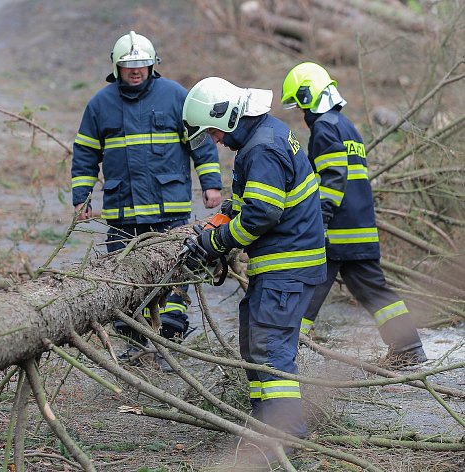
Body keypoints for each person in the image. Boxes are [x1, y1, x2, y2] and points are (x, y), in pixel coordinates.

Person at [182, 77, 327, 440]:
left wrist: (215, 242)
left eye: (213, 132)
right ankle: (265, 423)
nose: (214, 140)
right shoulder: (265, 134)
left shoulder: (261, 147)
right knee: (255, 343)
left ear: (228, 116)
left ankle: (286, 437)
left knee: (270, 351)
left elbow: (262, 214)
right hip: (284, 266)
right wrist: (225, 215)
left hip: (286, 267)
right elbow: (254, 199)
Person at [71, 31, 223, 360]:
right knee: (121, 281)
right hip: (124, 214)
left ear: (154, 65)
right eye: (129, 65)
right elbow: (85, 154)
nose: (136, 70)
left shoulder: (175, 96)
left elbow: (200, 143)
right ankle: (134, 344)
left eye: (142, 64)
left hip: (171, 213)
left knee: (175, 275)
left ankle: (171, 340)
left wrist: (211, 183)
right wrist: (81, 197)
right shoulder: (100, 104)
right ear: (116, 67)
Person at [280, 62, 427, 367]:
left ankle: (284, 351)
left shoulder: (323, 128)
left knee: (307, 284)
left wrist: (317, 220)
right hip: (359, 227)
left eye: (298, 104)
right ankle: (409, 347)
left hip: (335, 231)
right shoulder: (347, 126)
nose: (300, 112)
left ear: (308, 96)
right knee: (376, 292)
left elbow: (332, 178)